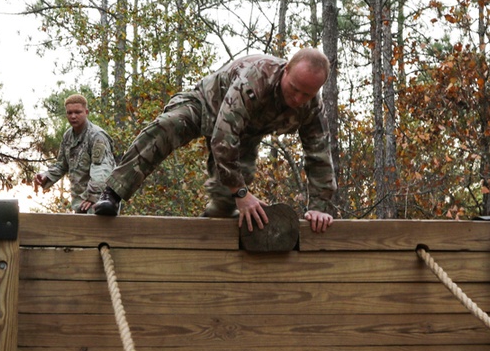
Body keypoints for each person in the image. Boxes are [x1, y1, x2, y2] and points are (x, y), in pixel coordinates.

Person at [92, 48, 337, 233]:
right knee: (168, 127)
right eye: (294, 88)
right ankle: (112, 193)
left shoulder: (312, 107)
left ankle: (205, 238)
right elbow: (223, 135)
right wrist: (242, 192)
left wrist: (319, 207)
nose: (297, 98)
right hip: (205, 106)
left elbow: (319, 155)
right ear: (285, 70)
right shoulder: (256, 78)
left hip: (244, 136)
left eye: (307, 94)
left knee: (225, 203)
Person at [34, 94, 116, 214]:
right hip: (80, 202)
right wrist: (46, 175)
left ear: (86, 112)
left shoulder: (97, 136)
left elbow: (101, 169)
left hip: (100, 202)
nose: (73, 116)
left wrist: (93, 196)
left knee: (95, 232)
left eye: (78, 112)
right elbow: (61, 165)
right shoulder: (68, 136)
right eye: (69, 113)